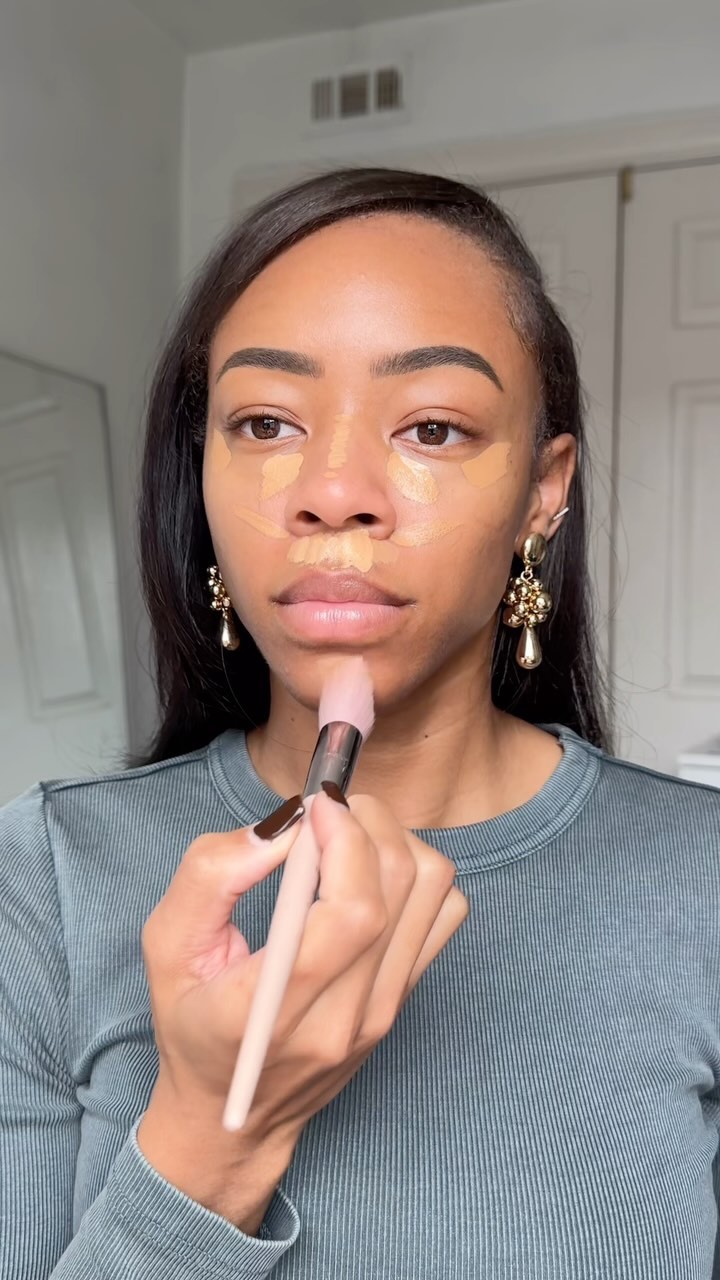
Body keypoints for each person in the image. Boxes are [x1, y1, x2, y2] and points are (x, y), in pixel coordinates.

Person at [1, 167, 718, 1280]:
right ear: (203, 478)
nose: (334, 491)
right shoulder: (45, 879)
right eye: (265, 422)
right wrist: (211, 1143)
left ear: (542, 492)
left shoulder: (702, 877)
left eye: (432, 426)